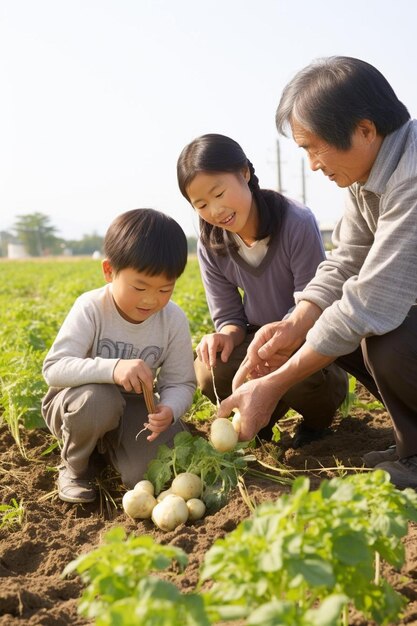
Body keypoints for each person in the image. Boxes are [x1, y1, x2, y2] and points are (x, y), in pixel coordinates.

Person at [217, 56, 417, 489]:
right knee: (332, 327)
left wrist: (272, 385)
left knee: (392, 340)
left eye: (313, 146)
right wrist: (295, 323)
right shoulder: (368, 175)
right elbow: (346, 258)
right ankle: (413, 445)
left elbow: (371, 299)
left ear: (365, 130)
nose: (311, 164)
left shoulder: (412, 175)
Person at [177, 133, 348, 447]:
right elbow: (229, 316)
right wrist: (225, 335)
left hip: (306, 337)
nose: (215, 211)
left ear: (244, 173)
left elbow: (312, 305)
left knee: (299, 375)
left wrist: (277, 341)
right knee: (209, 369)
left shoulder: (295, 221)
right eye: (201, 204)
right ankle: (260, 424)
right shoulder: (211, 243)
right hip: (255, 338)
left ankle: (317, 423)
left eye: (218, 193)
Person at [41, 209, 196, 503]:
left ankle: (106, 450)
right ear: (109, 271)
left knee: (149, 474)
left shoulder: (172, 319)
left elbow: (181, 382)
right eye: (140, 287)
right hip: (80, 401)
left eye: (165, 289)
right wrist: (113, 369)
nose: (152, 299)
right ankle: (75, 467)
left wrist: (171, 409)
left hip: (135, 406)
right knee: (100, 401)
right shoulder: (91, 308)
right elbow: (54, 368)